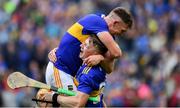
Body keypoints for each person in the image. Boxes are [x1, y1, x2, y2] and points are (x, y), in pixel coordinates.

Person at [46, 7, 133, 90]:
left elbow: (109, 68)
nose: (121, 34)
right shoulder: (96, 21)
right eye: (122, 31)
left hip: (71, 75)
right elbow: (117, 53)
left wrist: (100, 58)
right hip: (60, 69)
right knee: (75, 103)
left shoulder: (108, 36)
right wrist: (102, 57)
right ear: (115, 23)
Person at [43, 35, 108, 107]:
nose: (81, 45)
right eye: (83, 43)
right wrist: (58, 50)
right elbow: (99, 97)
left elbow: (78, 103)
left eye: (86, 45)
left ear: (95, 53)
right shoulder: (100, 67)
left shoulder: (89, 74)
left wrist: (54, 97)